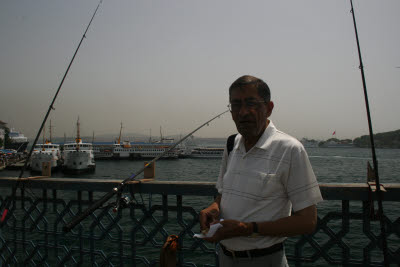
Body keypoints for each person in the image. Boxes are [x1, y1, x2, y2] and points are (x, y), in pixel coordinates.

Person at [199, 75, 323, 266]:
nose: (243, 112)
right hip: (225, 257)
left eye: (251, 103)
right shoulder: (232, 144)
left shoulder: (290, 149)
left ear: (269, 108)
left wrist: (247, 228)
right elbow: (223, 193)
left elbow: (307, 221)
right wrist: (213, 208)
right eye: (236, 105)